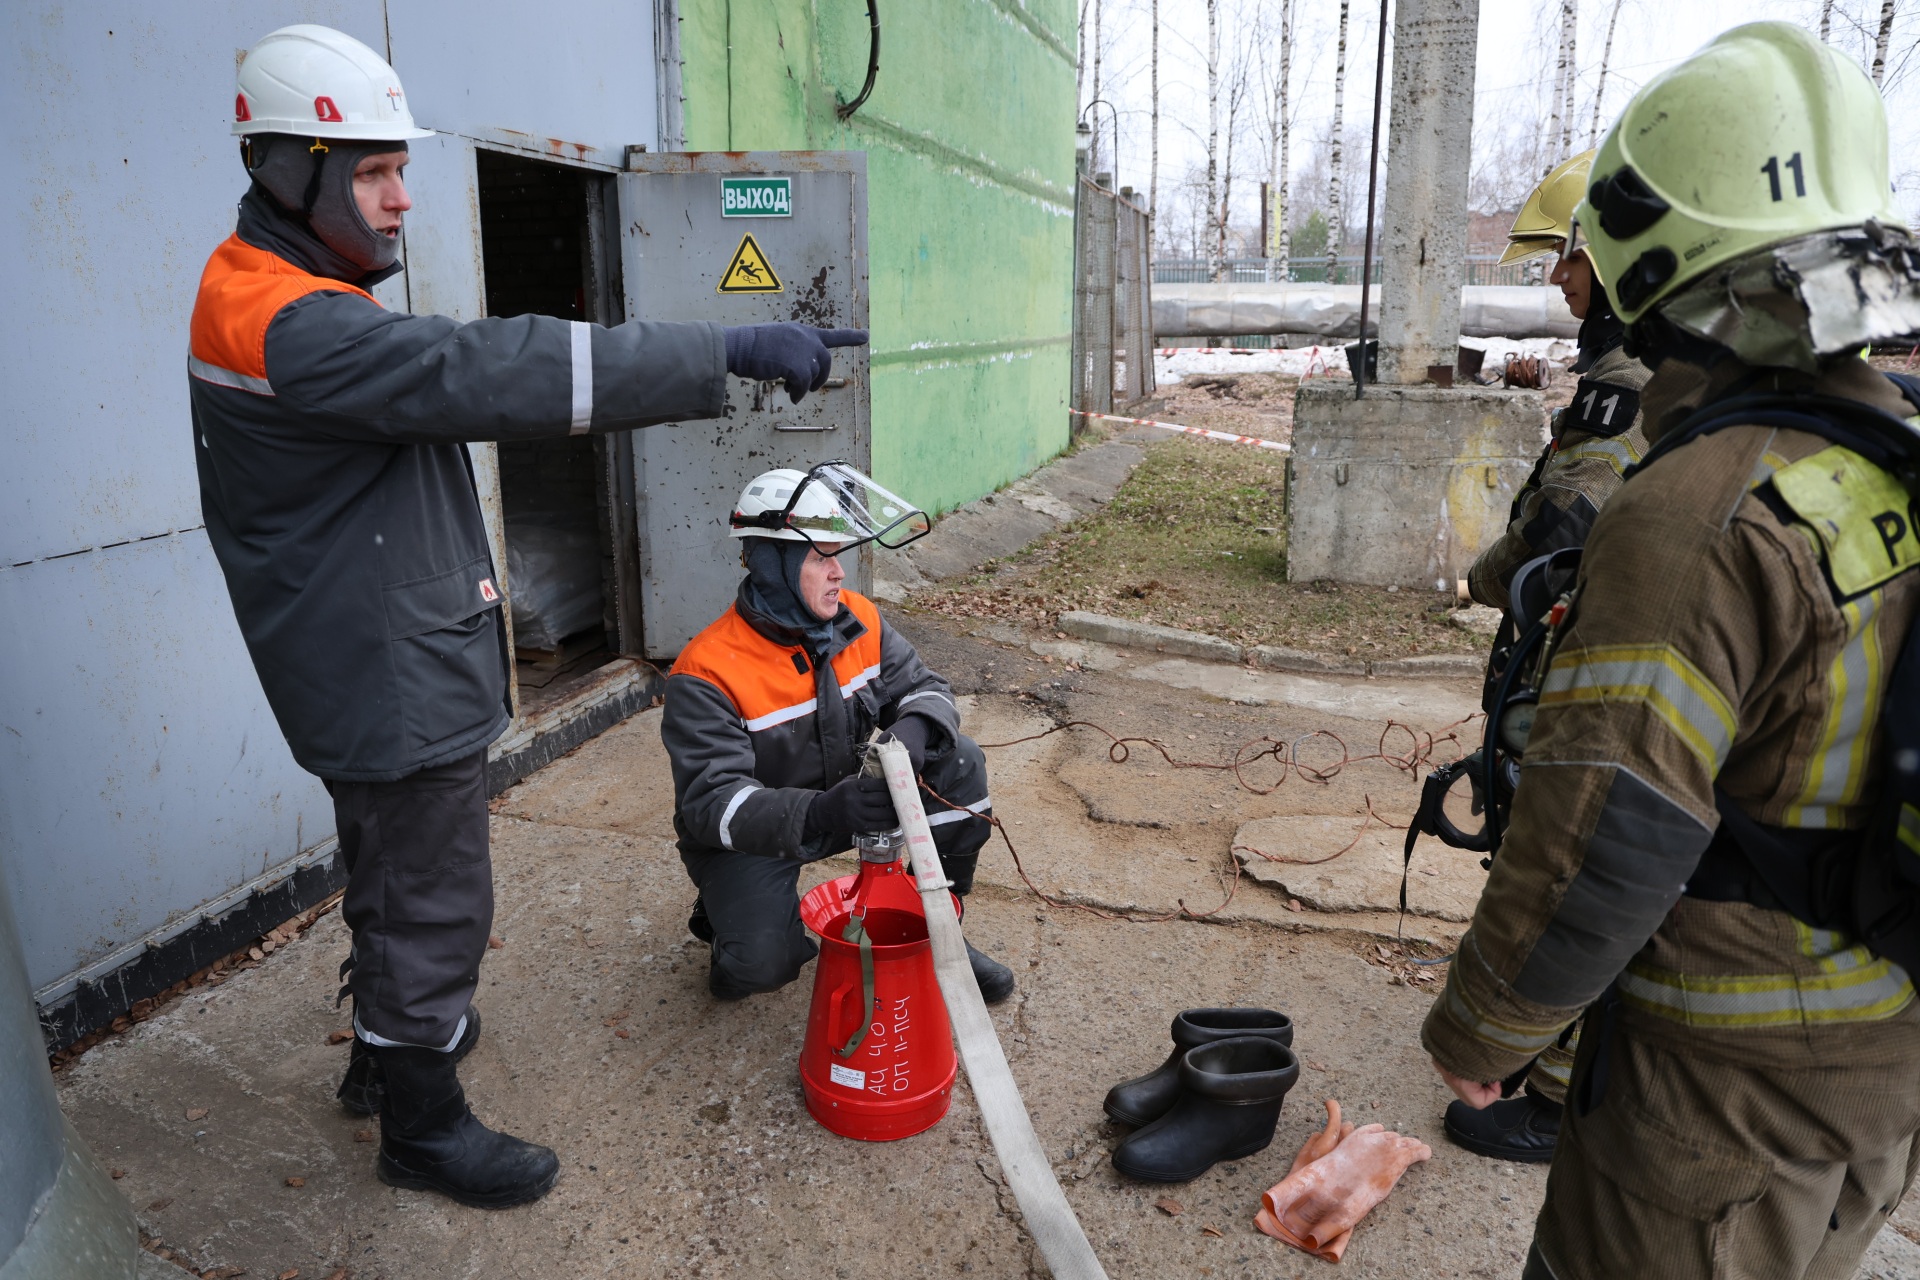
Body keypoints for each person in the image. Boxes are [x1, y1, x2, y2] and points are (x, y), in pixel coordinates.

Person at [191, 24, 867, 1209]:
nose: (403, 199)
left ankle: (388, 1054)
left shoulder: (259, 288)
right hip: (384, 673)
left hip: (353, 651)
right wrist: (726, 349)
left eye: (402, 168)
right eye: (373, 172)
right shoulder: (296, 323)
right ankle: (421, 1123)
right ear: (289, 172)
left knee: (392, 871)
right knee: (436, 895)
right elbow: (496, 370)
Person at [1422, 22, 1920, 1279]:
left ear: (1653, 258)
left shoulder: (1704, 508)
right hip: (1881, 1054)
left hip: (1724, 1087)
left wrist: (1483, 1029)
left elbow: (1604, 830)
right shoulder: (1888, 461)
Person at [1439, 150, 1653, 1165]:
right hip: (1593, 645)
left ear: (1615, 263)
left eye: (1570, 258)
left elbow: (1562, 529)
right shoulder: (1640, 375)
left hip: (1591, 660)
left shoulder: (1627, 384)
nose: (1559, 278)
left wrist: (1486, 575)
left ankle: (1561, 1092)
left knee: (1568, 853)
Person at [661, 464, 1016, 1004]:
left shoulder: (858, 619)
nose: (839, 572)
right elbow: (712, 804)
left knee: (960, 761)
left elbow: (926, 687)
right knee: (761, 966)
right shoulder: (706, 672)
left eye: (838, 554)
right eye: (821, 557)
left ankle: (939, 926)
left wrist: (915, 731)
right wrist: (823, 811)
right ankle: (725, 922)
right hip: (760, 832)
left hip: (852, 803)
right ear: (772, 564)